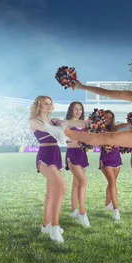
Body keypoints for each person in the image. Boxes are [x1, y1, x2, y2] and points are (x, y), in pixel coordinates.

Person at [28, 95, 87, 244]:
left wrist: (91, 123)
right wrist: (63, 125)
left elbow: (71, 123)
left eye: (50, 103)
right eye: (45, 104)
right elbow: (53, 131)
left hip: (55, 155)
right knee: (62, 187)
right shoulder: (34, 121)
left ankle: (45, 225)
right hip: (44, 156)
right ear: (39, 106)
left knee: (51, 193)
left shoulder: (53, 120)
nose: (49, 105)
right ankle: (54, 226)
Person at [99, 110, 130, 221]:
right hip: (105, 159)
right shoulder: (98, 129)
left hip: (116, 158)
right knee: (112, 183)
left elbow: (123, 125)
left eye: (110, 118)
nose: (107, 119)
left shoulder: (114, 129)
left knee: (112, 182)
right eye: (106, 117)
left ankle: (107, 204)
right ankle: (116, 209)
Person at [64, 101, 91, 228]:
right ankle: (82, 212)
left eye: (80, 109)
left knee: (76, 183)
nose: (78, 111)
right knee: (83, 181)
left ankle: (73, 210)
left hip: (82, 155)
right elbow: (68, 143)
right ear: (71, 110)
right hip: (72, 154)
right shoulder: (67, 124)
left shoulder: (85, 124)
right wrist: (81, 142)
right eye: (75, 109)